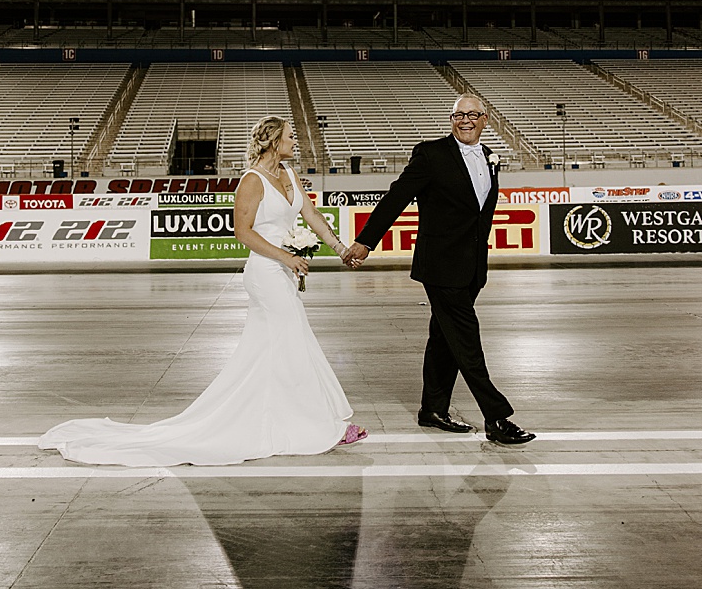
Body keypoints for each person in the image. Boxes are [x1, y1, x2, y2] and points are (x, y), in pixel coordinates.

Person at [38, 115, 366, 467]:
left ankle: (287, 421)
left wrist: (340, 247)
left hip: (283, 273)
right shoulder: (252, 182)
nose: (294, 142)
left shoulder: (288, 176)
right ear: (272, 140)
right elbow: (243, 233)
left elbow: (312, 215)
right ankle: (317, 425)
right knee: (293, 341)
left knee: (275, 349)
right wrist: (286, 256)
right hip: (266, 273)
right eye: (289, 136)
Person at [344, 94, 535, 446]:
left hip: (473, 266)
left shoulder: (490, 158)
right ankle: (496, 417)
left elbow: (479, 215)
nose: (465, 120)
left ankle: (432, 409)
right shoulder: (431, 154)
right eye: (458, 115)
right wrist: (366, 241)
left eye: (473, 115)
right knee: (466, 340)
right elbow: (396, 197)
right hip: (441, 267)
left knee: (445, 339)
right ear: (451, 119)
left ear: (485, 120)